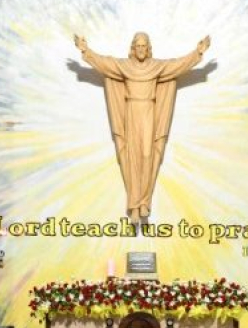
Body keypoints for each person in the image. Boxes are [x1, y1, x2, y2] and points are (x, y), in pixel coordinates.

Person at [74, 32, 210, 223]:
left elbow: (178, 65)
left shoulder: (156, 67)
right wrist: (86, 51)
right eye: (137, 46)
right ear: (132, 48)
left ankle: (144, 201)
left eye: (144, 46)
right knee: (131, 157)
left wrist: (197, 53)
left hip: (149, 110)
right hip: (131, 110)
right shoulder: (125, 66)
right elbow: (104, 63)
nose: (140, 49)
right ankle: (134, 205)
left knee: (147, 154)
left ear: (148, 48)